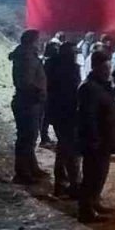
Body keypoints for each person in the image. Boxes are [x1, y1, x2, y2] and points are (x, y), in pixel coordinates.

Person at [77, 51, 115, 223]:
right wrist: (94, 138)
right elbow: (87, 116)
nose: (108, 71)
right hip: (96, 140)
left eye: (109, 67)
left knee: (101, 174)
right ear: (96, 67)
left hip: (105, 138)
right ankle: (86, 210)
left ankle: (94, 202)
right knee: (91, 175)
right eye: (105, 67)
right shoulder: (88, 87)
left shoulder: (103, 85)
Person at [9, 29, 49, 184]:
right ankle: (22, 173)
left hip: (28, 101)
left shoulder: (27, 56)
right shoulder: (26, 58)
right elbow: (26, 82)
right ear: (32, 41)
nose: (39, 43)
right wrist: (38, 93)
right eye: (38, 40)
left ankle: (31, 167)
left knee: (30, 137)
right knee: (26, 137)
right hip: (27, 102)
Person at [46, 42, 82, 198]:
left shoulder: (50, 65)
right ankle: (73, 185)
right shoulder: (70, 68)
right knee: (71, 150)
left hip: (56, 112)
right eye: (74, 52)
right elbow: (74, 90)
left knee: (62, 148)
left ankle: (60, 184)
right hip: (68, 112)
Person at [38, 40, 60, 149]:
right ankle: (44, 137)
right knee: (47, 116)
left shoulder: (45, 61)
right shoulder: (51, 62)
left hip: (48, 91)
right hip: (50, 92)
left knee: (46, 116)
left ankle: (45, 137)